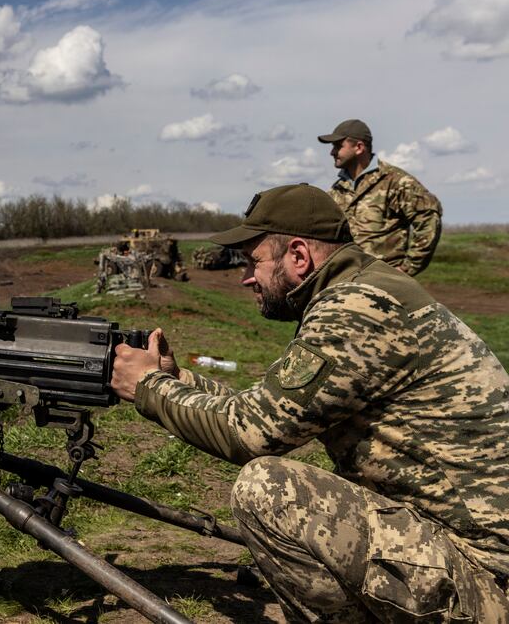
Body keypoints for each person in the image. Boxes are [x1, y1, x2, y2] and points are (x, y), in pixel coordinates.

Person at [111, 183, 509, 622]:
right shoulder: (361, 289)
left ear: (298, 257)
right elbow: (267, 410)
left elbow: (251, 434)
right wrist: (176, 379)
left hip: (487, 578)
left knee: (268, 490)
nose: (246, 276)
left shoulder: (356, 309)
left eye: (254, 261)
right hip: (463, 551)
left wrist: (147, 386)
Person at [319, 119, 443, 276]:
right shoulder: (337, 190)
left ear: (359, 147)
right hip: (347, 281)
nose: (332, 152)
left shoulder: (395, 181)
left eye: (338, 146)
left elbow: (428, 219)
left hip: (385, 282)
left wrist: (406, 269)